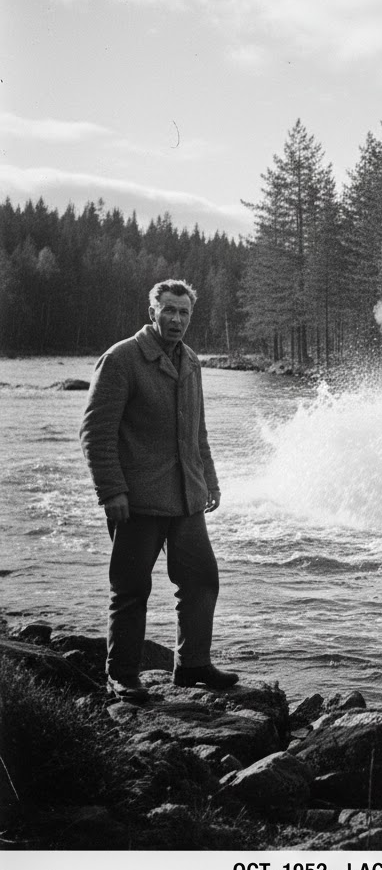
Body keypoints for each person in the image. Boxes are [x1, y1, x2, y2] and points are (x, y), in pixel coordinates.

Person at [80, 279, 238, 702]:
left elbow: (197, 431)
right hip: (137, 500)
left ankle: (193, 665)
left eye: (184, 312)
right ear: (152, 312)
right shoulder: (121, 359)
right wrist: (111, 491)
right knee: (131, 589)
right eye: (169, 310)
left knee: (202, 580)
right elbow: (96, 433)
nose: (176, 319)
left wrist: (210, 480)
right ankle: (122, 675)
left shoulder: (191, 361)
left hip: (187, 498)